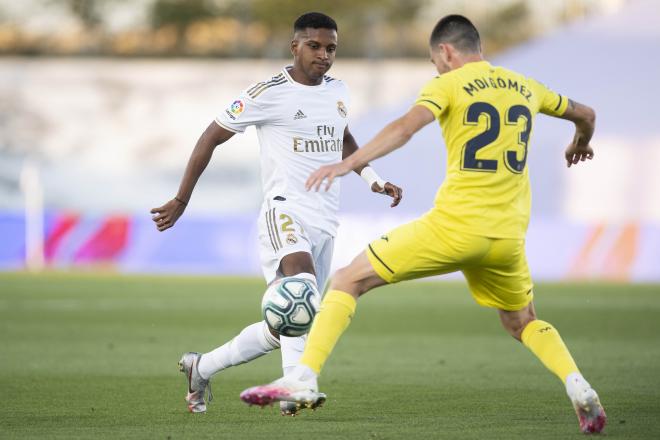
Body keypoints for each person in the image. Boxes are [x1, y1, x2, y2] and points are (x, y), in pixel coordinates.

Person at [240, 14, 606, 434]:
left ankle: (302, 379)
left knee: (345, 280)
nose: (437, 68)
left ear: (446, 52)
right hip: (508, 237)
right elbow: (587, 114)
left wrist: (351, 162)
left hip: (453, 229)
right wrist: (581, 141)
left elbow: (404, 128)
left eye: (436, 61)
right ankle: (577, 383)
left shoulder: (448, 84)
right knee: (522, 321)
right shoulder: (527, 86)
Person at [150, 12, 402, 416]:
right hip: (283, 211)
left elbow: (342, 136)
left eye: (331, 48)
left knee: (289, 323)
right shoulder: (267, 92)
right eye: (316, 46)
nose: (324, 55)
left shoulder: (338, 90)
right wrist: (181, 199)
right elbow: (210, 136)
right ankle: (296, 387)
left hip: (324, 219)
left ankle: (202, 366)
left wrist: (372, 177)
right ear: (295, 46)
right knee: (299, 288)